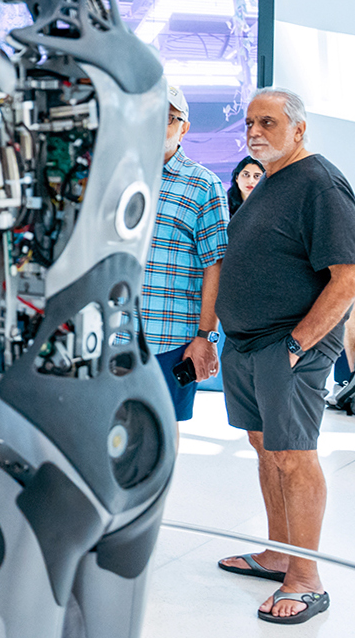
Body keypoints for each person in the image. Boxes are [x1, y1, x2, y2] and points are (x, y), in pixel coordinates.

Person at [214, 88, 355, 625]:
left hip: (287, 346)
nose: (254, 130)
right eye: (250, 122)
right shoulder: (271, 181)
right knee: (265, 447)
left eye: (268, 122)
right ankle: (279, 555)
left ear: (298, 130)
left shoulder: (318, 181)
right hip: (248, 345)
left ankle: (307, 578)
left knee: (294, 455)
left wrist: (297, 345)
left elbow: (347, 279)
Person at [142, 82, 228, 423]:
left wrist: (206, 337)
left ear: (184, 127)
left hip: (170, 338)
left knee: (160, 430)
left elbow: (216, 265)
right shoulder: (117, 175)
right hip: (113, 334)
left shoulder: (203, 185)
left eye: (168, 117)